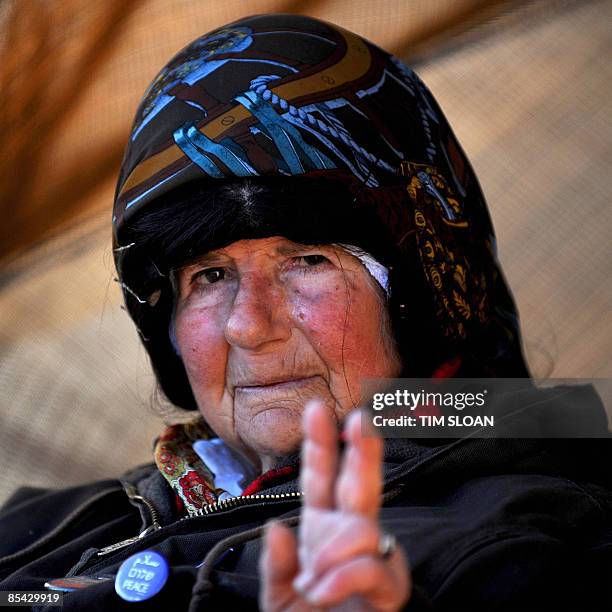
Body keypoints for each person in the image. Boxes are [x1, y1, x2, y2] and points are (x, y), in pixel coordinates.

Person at [1, 13, 611, 612]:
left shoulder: (532, 554)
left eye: (307, 261)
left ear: (421, 299)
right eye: (209, 276)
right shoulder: (46, 526)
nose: (247, 325)